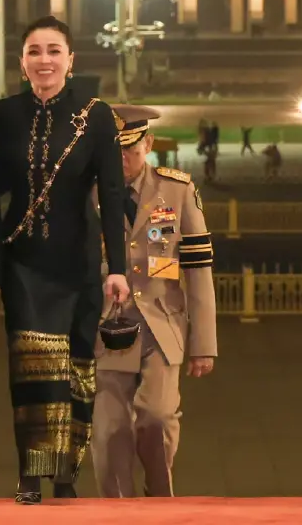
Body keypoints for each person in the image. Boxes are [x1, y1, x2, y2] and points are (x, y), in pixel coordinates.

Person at [0, 16, 129, 504]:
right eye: (34, 51)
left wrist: (117, 268)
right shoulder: (4, 113)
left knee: (76, 367)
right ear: (22, 61)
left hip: (78, 260)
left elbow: (112, 195)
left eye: (54, 50)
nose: (44, 60)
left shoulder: (95, 116)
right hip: (25, 261)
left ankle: (66, 475)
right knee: (33, 366)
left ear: (70, 60)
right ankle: (31, 474)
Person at [91, 105, 217, 497]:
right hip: (106, 326)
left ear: (147, 144)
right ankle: (117, 511)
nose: (122, 160)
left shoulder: (177, 190)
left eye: (130, 149)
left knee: (156, 417)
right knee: (110, 430)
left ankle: (160, 502)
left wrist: (204, 344)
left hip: (162, 325)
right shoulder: (86, 192)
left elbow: (198, 269)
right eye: (114, 151)